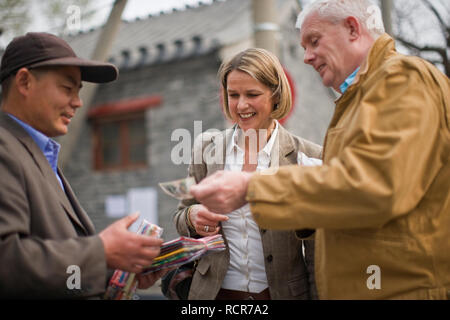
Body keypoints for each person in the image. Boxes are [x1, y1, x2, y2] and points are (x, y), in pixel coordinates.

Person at [190, 0, 450, 299]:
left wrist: (253, 188)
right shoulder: (360, 95)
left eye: (314, 41)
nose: (306, 58)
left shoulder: (400, 79)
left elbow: (375, 186)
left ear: (353, 28)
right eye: (233, 95)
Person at [0, 32, 166, 299]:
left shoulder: (38, 152)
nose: (77, 102)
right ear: (24, 81)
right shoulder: (5, 149)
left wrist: (115, 270)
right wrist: (102, 252)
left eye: (78, 91)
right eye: (67, 88)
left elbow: (55, 260)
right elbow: (7, 262)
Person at [174, 48, 322, 300]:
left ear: (275, 96)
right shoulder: (205, 149)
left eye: (252, 94)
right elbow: (180, 216)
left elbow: (317, 254)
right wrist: (191, 216)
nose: (241, 105)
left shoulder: (308, 156)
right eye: (233, 95)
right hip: (212, 295)